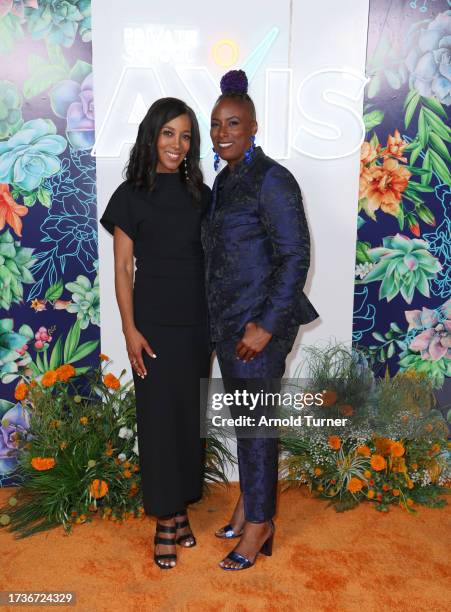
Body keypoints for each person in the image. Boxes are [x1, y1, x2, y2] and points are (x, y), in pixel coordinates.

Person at [203, 70, 319, 570]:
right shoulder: (226, 180)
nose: (222, 132)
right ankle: (249, 504)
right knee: (248, 421)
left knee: (255, 426)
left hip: (258, 327)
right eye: (215, 125)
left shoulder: (273, 178)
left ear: (254, 127)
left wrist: (267, 324)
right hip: (228, 324)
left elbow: (296, 254)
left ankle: (259, 525)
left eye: (233, 123)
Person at [100, 97, 211, 570]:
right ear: (152, 136)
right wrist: (129, 330)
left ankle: (181, 510)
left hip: (198, 324)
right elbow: (123, 268)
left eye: (185, 136)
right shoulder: (131, 194)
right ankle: (165, 519)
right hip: (152, 326)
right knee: (159, 421)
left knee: (189, 421)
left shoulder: (201, 195)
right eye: (169, 133)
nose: (177, 144)